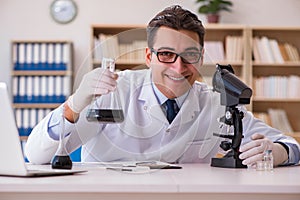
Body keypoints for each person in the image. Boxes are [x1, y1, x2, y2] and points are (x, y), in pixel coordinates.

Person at [25, 5, 299, 167]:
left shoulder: (216, 103)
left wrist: (278, 152)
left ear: (201, 58)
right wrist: (74, 104)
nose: (178, 68)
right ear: (148, 57)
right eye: (166, 54)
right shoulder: (111, 92)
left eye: (189, 56)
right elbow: (36, 155)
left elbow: (290, 145)